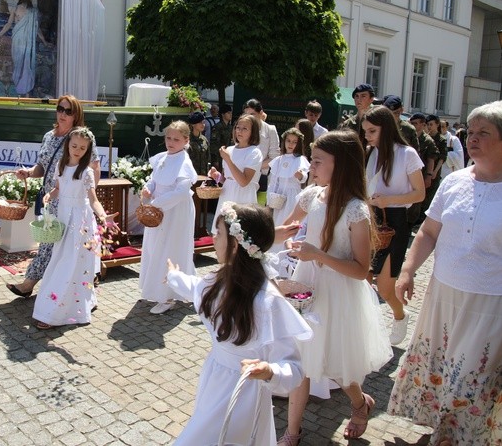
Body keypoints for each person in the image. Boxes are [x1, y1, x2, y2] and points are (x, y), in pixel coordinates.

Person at [388, 101, 502, 445]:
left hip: (490, 301)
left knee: (474, 372)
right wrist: (408, 271)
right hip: (442, 296)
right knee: (440, 366)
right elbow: (428, 232)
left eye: (485, 133)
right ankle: (440, 428)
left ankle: (458, 434)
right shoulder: (454, 181)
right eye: (472, 131)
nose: (474, 138)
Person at [277, 130, 392, 444]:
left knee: (335, 363)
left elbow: (359, 270)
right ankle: (293, 431)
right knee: (302, 359)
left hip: (338, 292)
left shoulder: (356, 210)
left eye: (317, 161)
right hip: (304, 283)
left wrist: (318, 255)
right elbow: (286, 228)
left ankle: (359, 402)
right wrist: (280, 240)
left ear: (340, 165)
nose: (311, 167)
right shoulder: (311, 195)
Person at [164, 203, 311, 445]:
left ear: (235, 244)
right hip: (214, 378)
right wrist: (172, 275)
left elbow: (294, 369)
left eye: (218, 233)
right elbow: (193, 287)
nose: (213, 237)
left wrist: (269, 371)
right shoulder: (217, 280)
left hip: (244, 391)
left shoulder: (266, 301)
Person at [6, 95, 100, 298]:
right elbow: (43, 166)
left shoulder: (81, 138)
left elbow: (94, 167)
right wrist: (29, 173)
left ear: (76, 115)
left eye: (68, 111)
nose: (63, 114)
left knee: (52, 245)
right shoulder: (49, 136)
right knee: (51, 243)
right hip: (50, 197)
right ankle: (72, 287)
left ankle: (31, 285)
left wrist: (85, 197)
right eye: (60, 109)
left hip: (70, 201)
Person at [32, 127, 113, 329]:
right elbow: (59, 188)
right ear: (68, 145)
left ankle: (53, 312)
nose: (77, 150)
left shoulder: (86, 173)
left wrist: (103, 216)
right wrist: (50, 195)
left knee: (69, 263)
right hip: (63, 218)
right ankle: (74, 303)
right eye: (74, 145)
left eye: (82, 148)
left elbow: (93, 199)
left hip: (80, 221)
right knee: (62, 260)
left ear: (88, 150)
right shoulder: (62, 165)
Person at [362, 106, 425, 345]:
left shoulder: (407, 154)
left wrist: (389, 200)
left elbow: (419, 194)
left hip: (396, 221)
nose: (367, 135)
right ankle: (366, 333)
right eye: (365, 130)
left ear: (386, 129)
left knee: (386, 288)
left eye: (372, 131)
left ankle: (400, 316)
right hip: (371, 217)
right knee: (363, 282)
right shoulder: (372, 153)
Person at [139, 120, 198, 314]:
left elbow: (181, 191)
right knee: (154, 246)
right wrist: (149, 188)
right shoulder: (163, 157)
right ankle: (167, 287)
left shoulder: (184, 162)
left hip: (175, 210)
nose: (171, 142)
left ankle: (168, 294)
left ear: (186, 140)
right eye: (168, 138)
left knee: (170, 248)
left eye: (176, 139)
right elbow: (155, 179)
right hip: (159, 208)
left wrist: (157, 203)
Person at [208, 114, 263, 232]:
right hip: (227, 194)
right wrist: (217, 176)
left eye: (245, 128)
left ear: (253, 132)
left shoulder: (254, 152)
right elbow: (228, 179)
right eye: (238, 127)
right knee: (222, 232)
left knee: (239, 232)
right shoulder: (230, 150)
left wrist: (228, 159)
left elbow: (243, 181)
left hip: (243, 196)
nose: (240, 131)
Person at [0, 0, 51, 96]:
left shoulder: (33, 11)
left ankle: (26, 92)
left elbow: (36, 28)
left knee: (27, 65)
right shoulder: (15, 9)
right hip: (17, 41)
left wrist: (44, 41)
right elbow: (9, 24)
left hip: (28, 43)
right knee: (18, 64)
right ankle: (18, 91)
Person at [267, 127, 309, 228]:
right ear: (284, 141)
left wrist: (301, 176)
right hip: (279, 195)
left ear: (298, 144)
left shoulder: (300, 159)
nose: (290, 144)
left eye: (294, 142)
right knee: (278, 220)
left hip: (292, 194)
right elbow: (273, 182)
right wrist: (269, 200)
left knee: (290, 218)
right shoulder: (279, 160)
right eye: (288, 141)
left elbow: (304, 176)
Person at [242, 99, 280, 195]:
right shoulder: (242, 129)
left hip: (262, 177)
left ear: (261, 113)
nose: (250, 117)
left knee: (258, 208)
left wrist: (254, 167)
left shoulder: (270, 130)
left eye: (253, 114)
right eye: (247, 114)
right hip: (243, 175)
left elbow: (274, 157)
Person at [408, 113, 440, 225]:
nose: (414, 126)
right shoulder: (408, 136)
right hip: (407, 174)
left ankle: (412, 223)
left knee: (416, 203)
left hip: (421, 174)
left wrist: (429, 176)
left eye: (416, 123)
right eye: (412, 123)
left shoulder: (427, 140)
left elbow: (432, 159)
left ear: (422, 124)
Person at [342, 83, 375, 150]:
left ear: (371, 99)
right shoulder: (348, 123)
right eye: (356, 96)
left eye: (363, 96)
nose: (359, 99)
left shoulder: (376, 122)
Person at [209, 104, 233, 173]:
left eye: (231, 113)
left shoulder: (230, 127)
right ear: (223, 114)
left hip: (228, 156)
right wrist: (215, 160)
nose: (230, 114)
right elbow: (214, 144)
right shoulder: (217, 127)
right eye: (228, 113)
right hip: (219, 157)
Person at [186, 110, 209, 175]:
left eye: (203, 122)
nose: (203, 125)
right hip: (191, 175)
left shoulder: (204, 139)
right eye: (200, 122)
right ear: (193, 124)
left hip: (203, 175)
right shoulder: (187, 140)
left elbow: (208, 158)